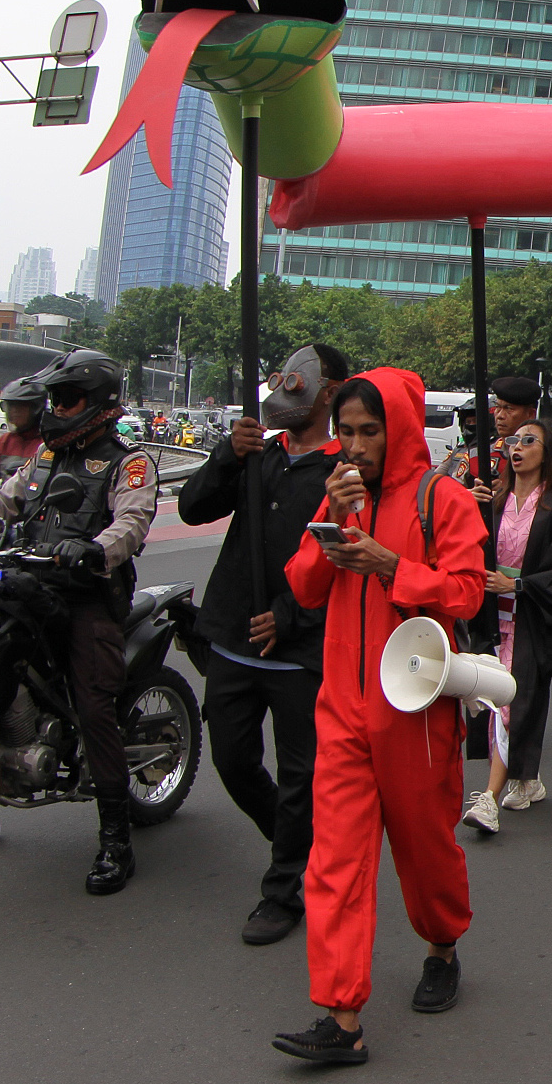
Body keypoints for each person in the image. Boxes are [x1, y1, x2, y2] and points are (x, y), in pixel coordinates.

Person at [272, 369, 489, 1065]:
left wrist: (391, 563)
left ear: (397, 428)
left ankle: (442, 941)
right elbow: (305, 587)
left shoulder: (443, 498)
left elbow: (464, 595)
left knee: (426, 851)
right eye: (346, 432)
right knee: (332, 859)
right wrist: (331, 526)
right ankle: (341, 1016)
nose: (356, 446)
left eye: (370, 431)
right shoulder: (339, 496)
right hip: (341, 706)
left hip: (417, 711)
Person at [0, 349, 157, 895]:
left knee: (93, 708)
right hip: (29, 583)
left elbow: (131, 522)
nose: (57, 409)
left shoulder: (127, 462)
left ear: (100, 404)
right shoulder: (43, 459)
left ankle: (116, 839)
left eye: (68, 399)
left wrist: (94, 551)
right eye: (54, 399)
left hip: (87, 595)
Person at [178, 343, 347, 945]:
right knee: (231, 759)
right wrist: (228, 454)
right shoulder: (258, 456)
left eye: (302, 382)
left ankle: (283, 888)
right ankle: (293, 842)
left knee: (301, 773)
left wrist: (289, 614)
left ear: (327, 390)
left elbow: (338, 556)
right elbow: (192, 507)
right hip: (231, 638)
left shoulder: (342, 472)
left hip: (299, 650)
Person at [460, 418, 552, 833]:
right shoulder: (492, 503)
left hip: (529, 617)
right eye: (513, 441)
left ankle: (489, 799)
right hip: (488, 618)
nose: (517, 447)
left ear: (545, 453)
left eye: (528, 441)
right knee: (494, 698)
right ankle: (526, 778)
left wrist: (518, 585)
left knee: (509, 702)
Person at [464, 375, 540, 504]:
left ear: (530, 414)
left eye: (509, 409)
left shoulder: (544, 456)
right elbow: (448, 491)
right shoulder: (478, 452)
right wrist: (467, 495)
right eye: (498, 408)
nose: (500, 416)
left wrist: (506, 493)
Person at [0, 375, 44, 485]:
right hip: (5, 500)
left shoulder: (47, 444)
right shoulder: (4, 442)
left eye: (19, 407)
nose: (13, 412)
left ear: (36, 408)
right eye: (10, 407)